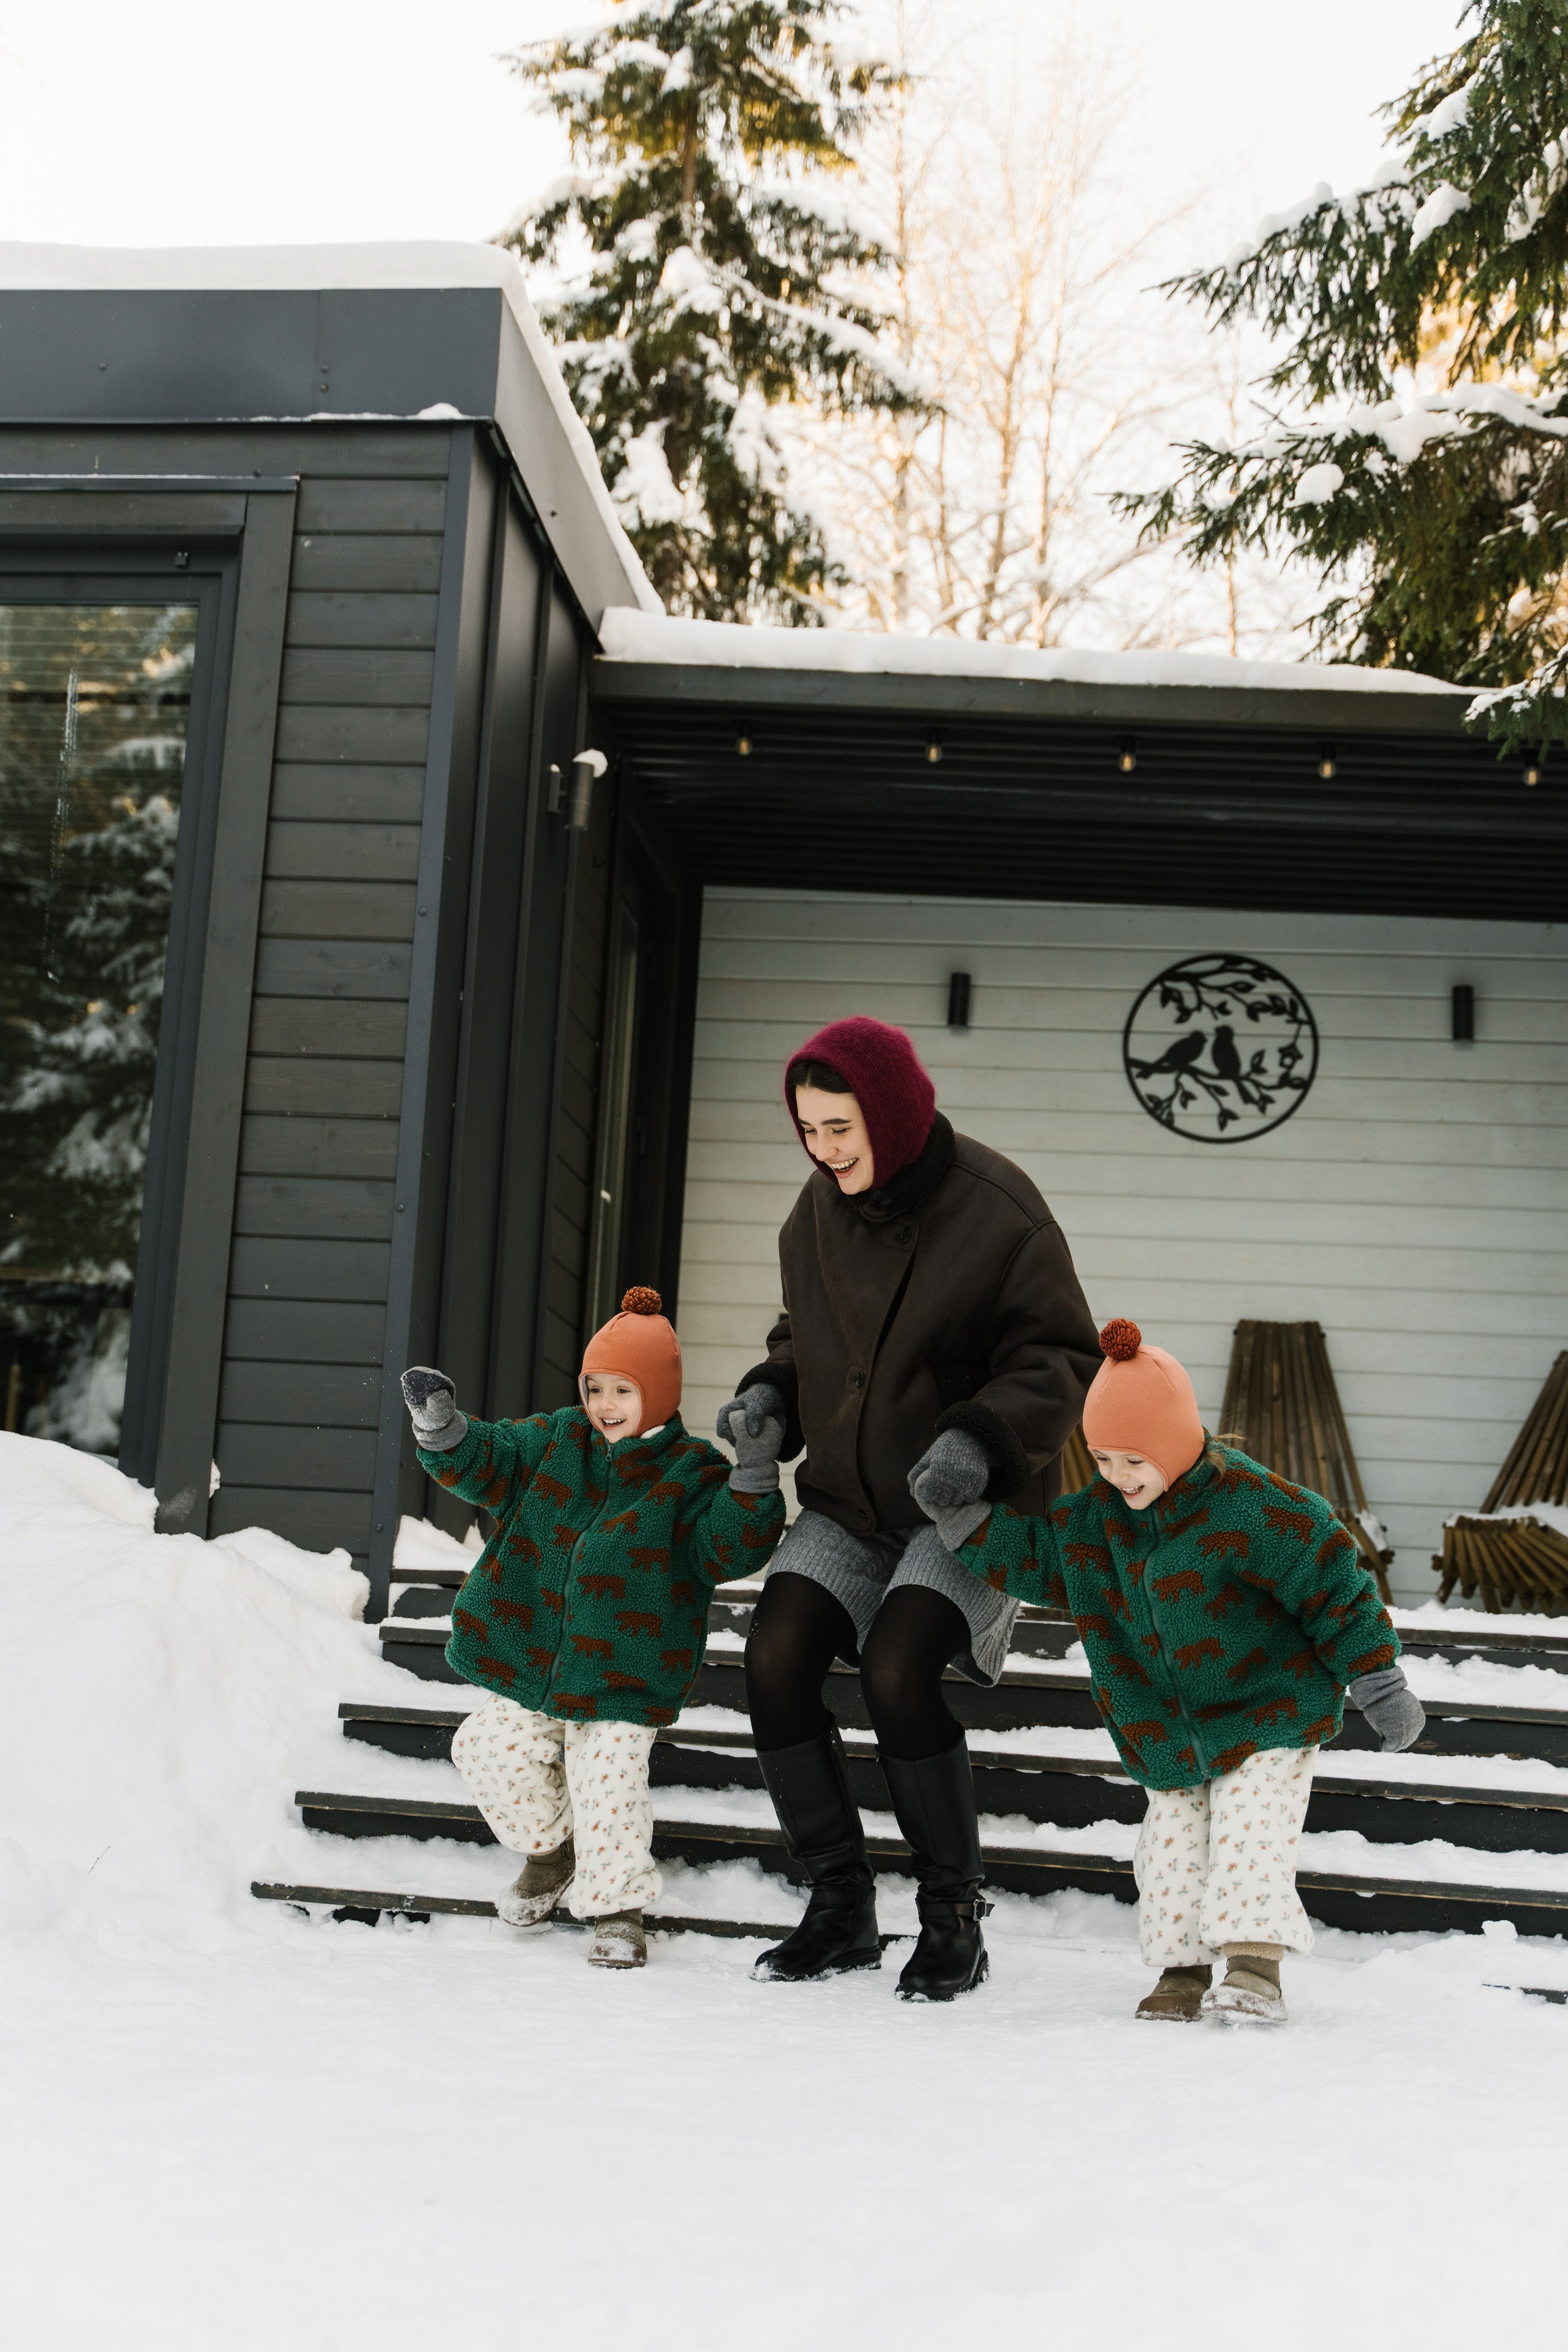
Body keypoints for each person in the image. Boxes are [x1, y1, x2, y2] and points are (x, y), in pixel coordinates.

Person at [719, 1016, 1101, 2001]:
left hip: (961, 1508)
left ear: (887, 1111)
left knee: (897, 1669)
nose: (823, 1149)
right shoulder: (813, 1214)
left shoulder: (1000, 1209)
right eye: (808, 1130)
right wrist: (771, 1392)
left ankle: (953, 1917)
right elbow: (805, 1339)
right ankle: (840, 1906)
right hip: (849, 1503)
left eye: (839, 1128)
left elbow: (1059, 1357)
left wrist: (976, 1442)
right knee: (775, 1656)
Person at [910, 1314, 1427, 2025]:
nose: (1118, 1477)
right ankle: (1181, 1971)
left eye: (1133, 1459)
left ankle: (1252, 1966)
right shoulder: (1096, 1523)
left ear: (1175, 1444)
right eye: (1102, 1460)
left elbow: (1333, 1582)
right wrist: (962, 1519)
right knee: (1170, 1851)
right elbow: (1036, 1558)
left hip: (1266, 1711)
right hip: (1166, 1731)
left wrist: (1378, 1680)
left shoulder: (1253, 1508)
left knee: (1249, 1834)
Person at [401, 1287, 785, 1969]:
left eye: (623, 1390)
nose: (604, 1405)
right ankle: (552, 1855)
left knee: (605, 1781)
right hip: (535, 1660)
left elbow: (727, 1548)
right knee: (486, 1748)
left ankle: (616, 1908)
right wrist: (446, 1431)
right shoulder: (556, 1441)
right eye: (595, 1387)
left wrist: (753, 1478)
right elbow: (489, 1458)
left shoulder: (689, 1473)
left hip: (623, 1673)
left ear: (660, 1395)